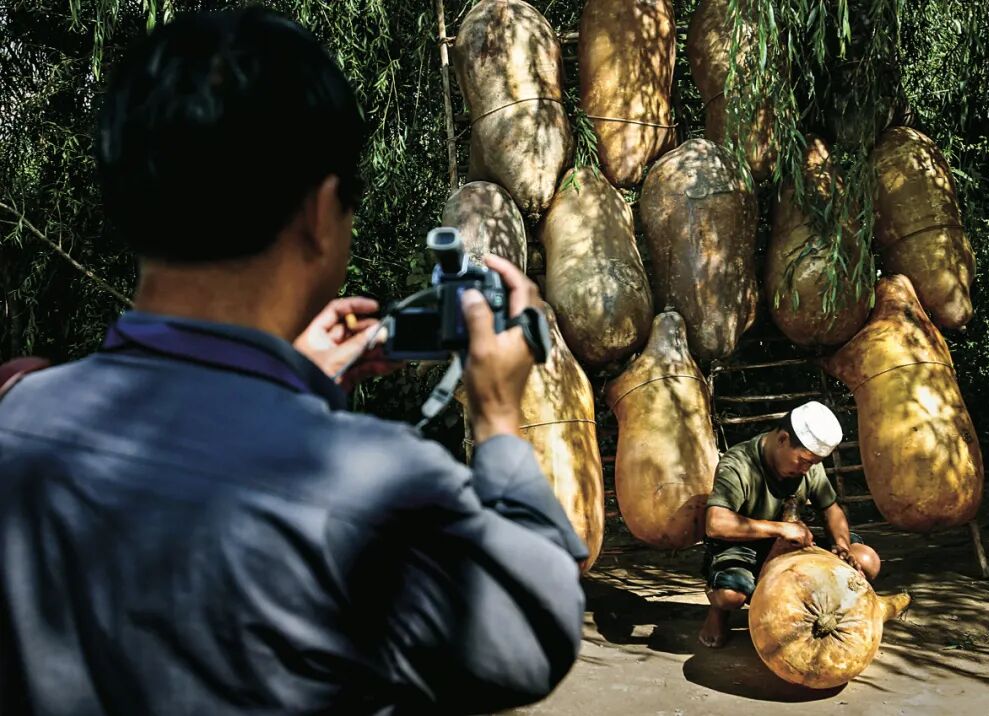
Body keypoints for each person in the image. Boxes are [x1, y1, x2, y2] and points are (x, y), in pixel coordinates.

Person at [0, 8, 587, 715]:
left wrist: (290, 384)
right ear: (319, 212)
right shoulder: (376, 489)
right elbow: (534, 634)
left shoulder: (19, 421)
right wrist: (496, 414)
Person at [697, 400, 881, 648]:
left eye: (813, 464)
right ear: (782, 439)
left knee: (866, 560)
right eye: (804, 461)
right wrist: (781, 528)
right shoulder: (739, 464)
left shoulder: (807, 467)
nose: (807, 470)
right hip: (745, 549)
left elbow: (831, 510)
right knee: (730, 595)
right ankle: (718, 612)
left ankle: (823, 614)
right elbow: (716, 524)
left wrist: (842, 547)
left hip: (793, 548)